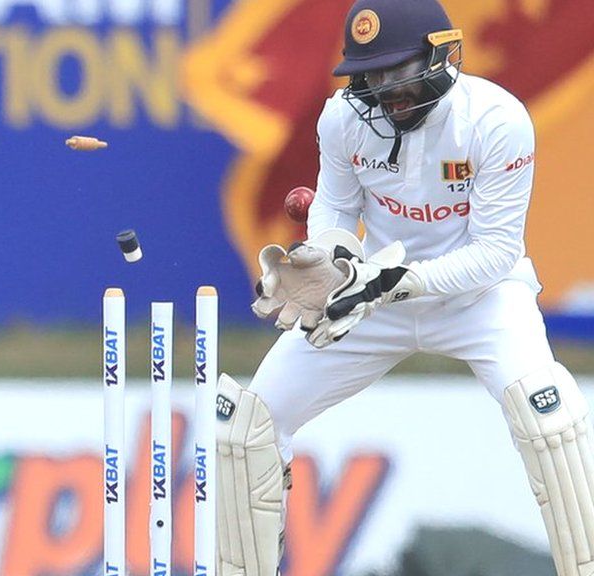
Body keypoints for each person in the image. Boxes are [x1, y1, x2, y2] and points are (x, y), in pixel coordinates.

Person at [215, 1, 592, 575]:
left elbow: (496, 252)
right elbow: (335, 207)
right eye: (371, 75)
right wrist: (332, 263)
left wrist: (396, 282)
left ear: (440, 55)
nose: (385, 89)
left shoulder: (495, 119)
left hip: (479, 298)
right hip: (373, 297)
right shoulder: (343, 118)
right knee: (249, 429)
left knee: (550, 422)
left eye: (397, 70)